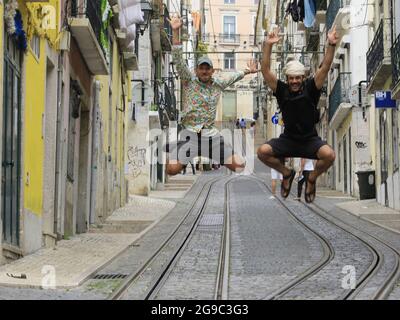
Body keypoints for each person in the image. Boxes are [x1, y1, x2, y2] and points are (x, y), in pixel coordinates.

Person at [166, 15, 259, 175]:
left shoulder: (218, 84)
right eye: (201, 68)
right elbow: (178, 60)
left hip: (211, 136)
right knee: (171, 169)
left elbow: (233, 76)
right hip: (190, 134)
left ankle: (214, 155)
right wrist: (175, 32)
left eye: (207, 68)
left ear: (212, 70)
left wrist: (247, 71)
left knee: (239, 166)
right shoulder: (189, 81)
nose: (204, 71)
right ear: (196, 70)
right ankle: (180, 151)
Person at [257, 26, 337, 203]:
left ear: (303, 78)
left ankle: (312, 177)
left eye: (298, 78)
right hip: (288, 140)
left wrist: (331, 45)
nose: (294, 81)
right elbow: (265, 70)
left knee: (329, 155)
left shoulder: (311, 87)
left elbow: (325, 67)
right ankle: (287, 173)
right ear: (287, 79)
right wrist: (268, 45)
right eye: (291, 78)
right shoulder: (281, 90)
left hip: (310, 140)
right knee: (262, 152)